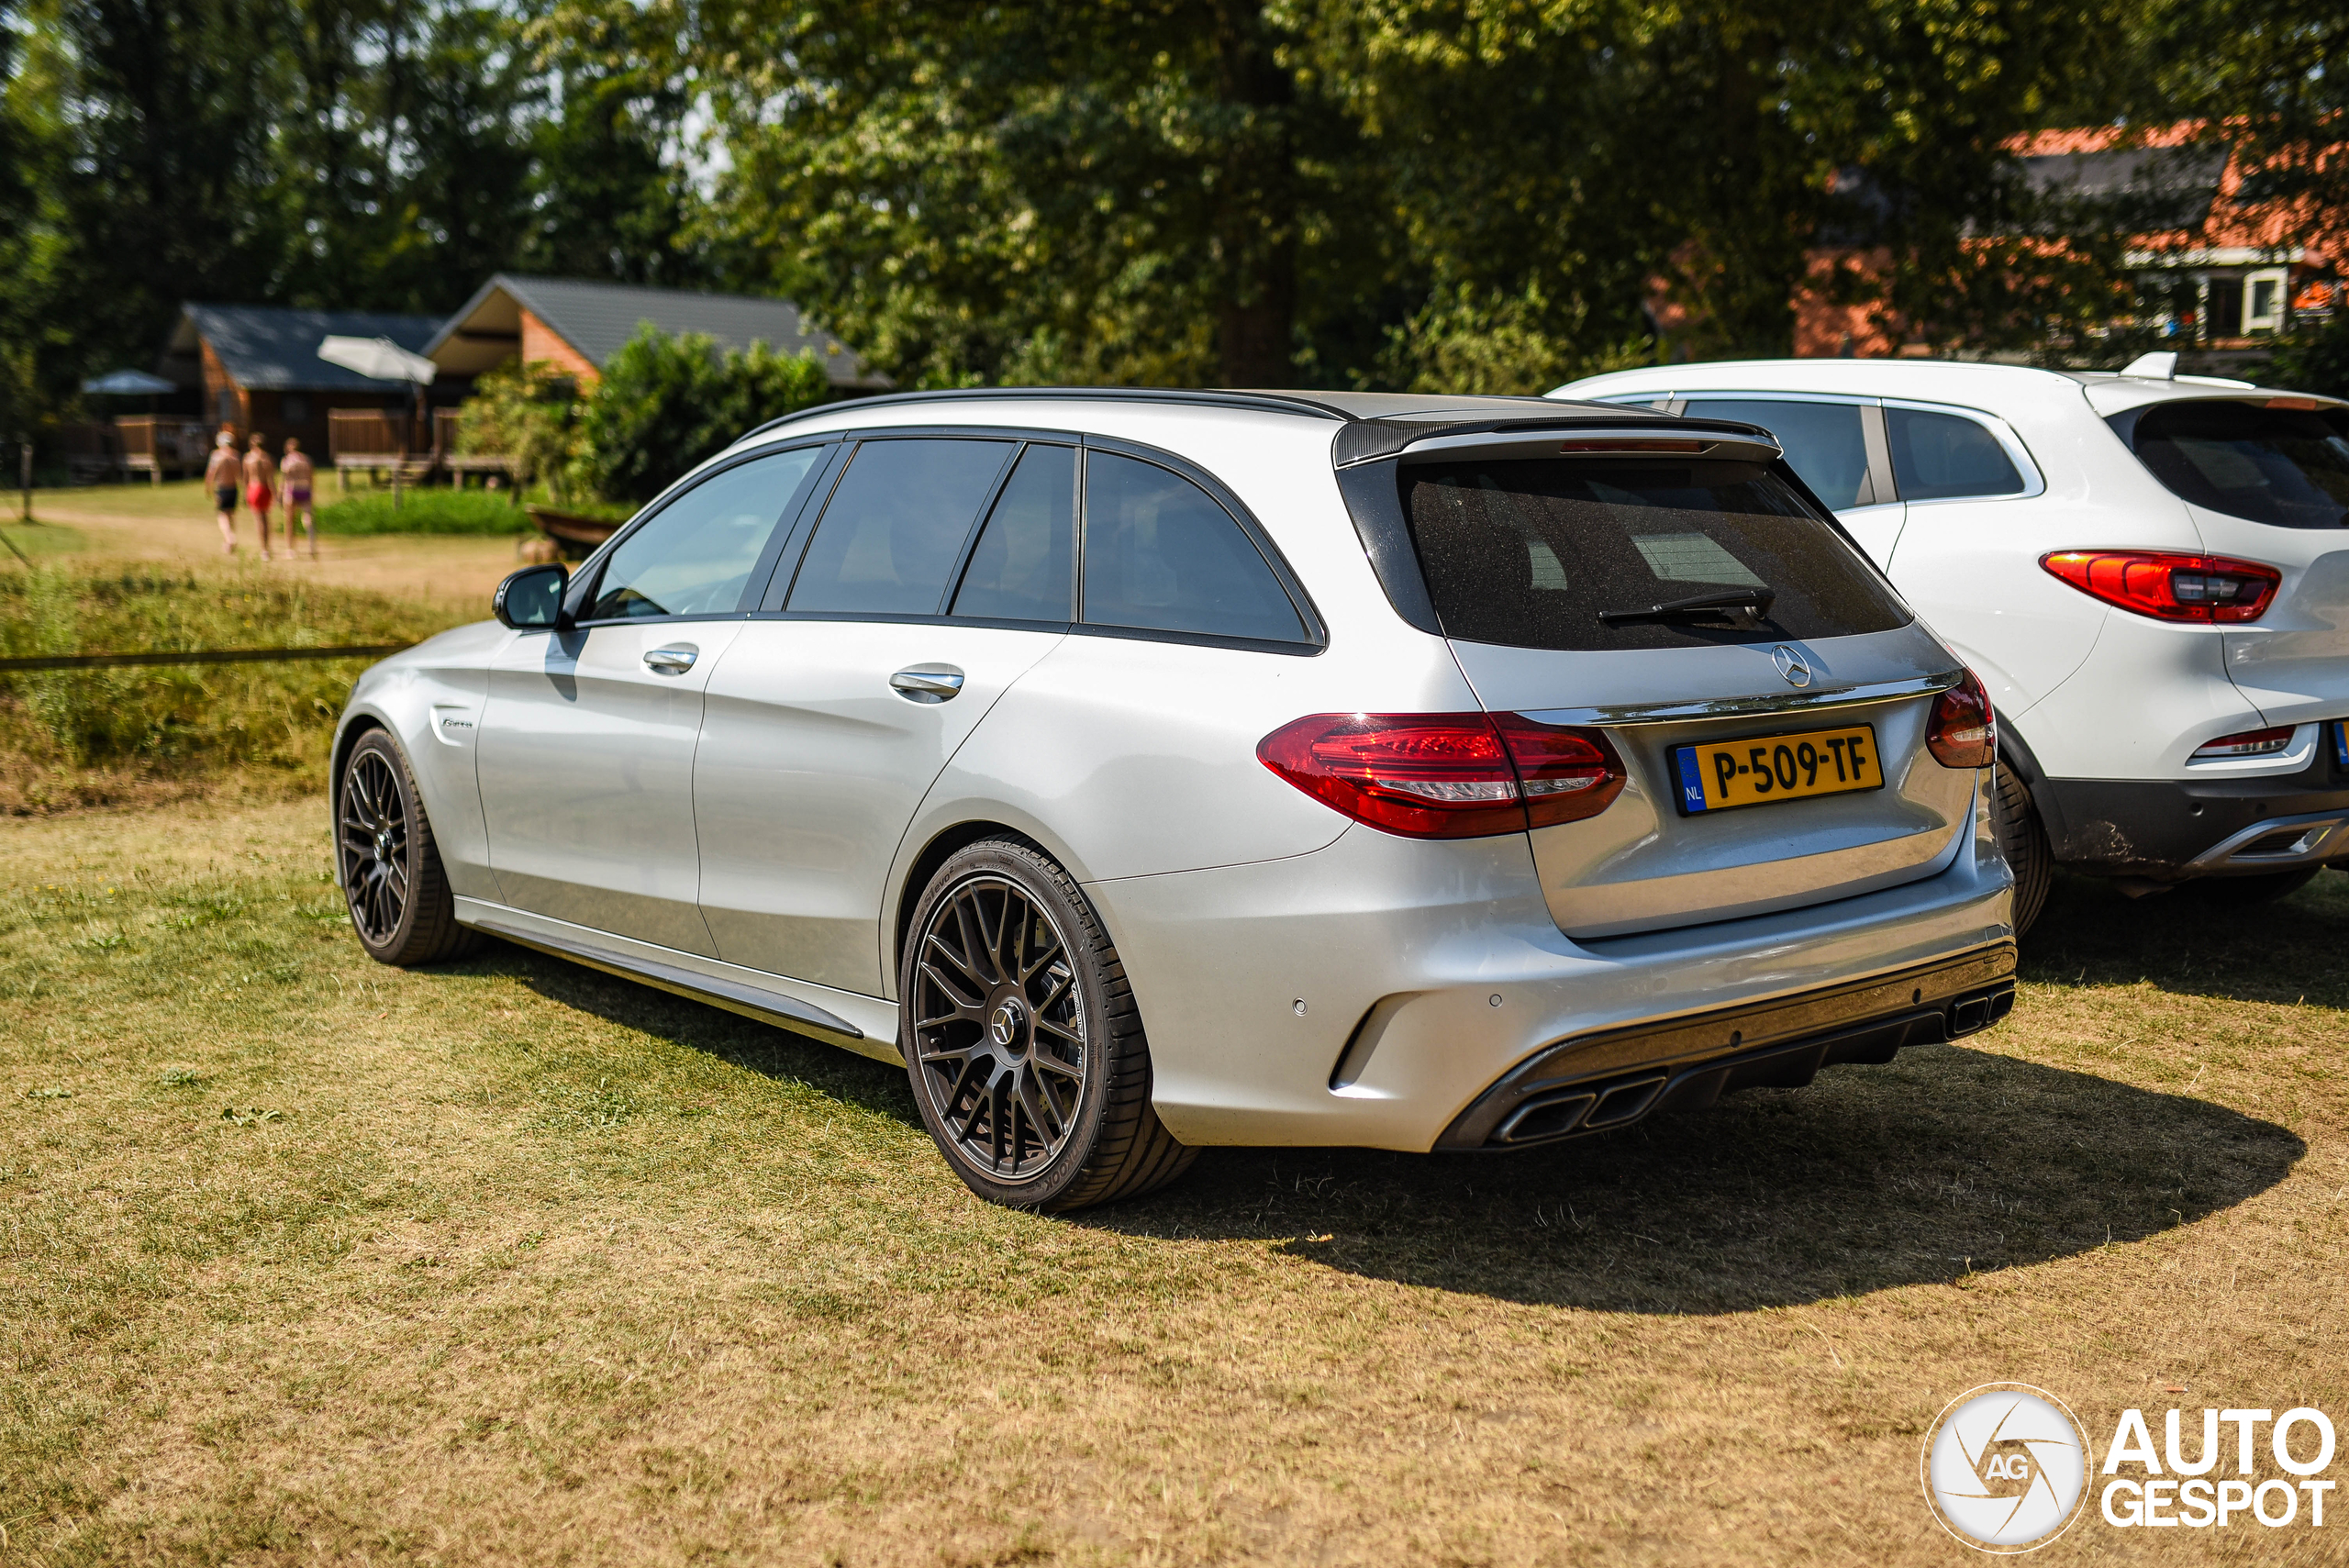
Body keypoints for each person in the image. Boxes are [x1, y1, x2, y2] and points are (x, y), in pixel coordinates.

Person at [242, 431, 278, 561]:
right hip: (265, 489)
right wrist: (275, 494)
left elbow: (245, 479)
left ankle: (264, 549)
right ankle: (267, 547)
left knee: (258, 520)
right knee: (266, 519)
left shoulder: (248, 458)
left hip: (253, 488)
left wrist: (244, 494)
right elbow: (271, 479)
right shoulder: (268, 459)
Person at [204, 429, 241, 553]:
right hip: (234, 489)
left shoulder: (217, 455)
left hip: (222, 489)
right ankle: (228, 543)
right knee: (231, 515)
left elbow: (211, 473)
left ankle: (230, 537)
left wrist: (208, 487)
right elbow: (239, 475)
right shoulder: (235, 456)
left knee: (222, 516)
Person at [280, 437, 317, 559]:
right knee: (307, 517)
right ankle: (312, 543)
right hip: (305, 489)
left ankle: (290, 549)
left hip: (291, 490)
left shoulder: (287, 460)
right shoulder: (306, 460)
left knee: (289, 520)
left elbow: (284, 478)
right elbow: (311, 477)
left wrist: (280, 493)